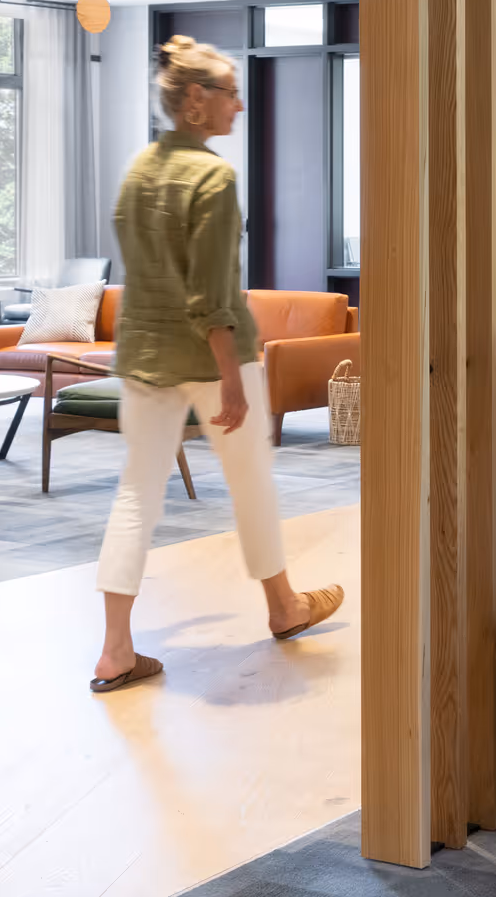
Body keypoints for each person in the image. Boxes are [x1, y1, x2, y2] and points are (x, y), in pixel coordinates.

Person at [90, 35, 343, 692]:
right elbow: (209, 293)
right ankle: (283, 606)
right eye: (231, 91)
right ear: (197, 101)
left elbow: (149, 272)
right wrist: (231, 374)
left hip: (144, 354)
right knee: (251, 481)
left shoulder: (139, 169)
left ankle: (116, 647)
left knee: (135, 494)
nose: (239, 103)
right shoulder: (214, 177)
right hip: (212, 356)